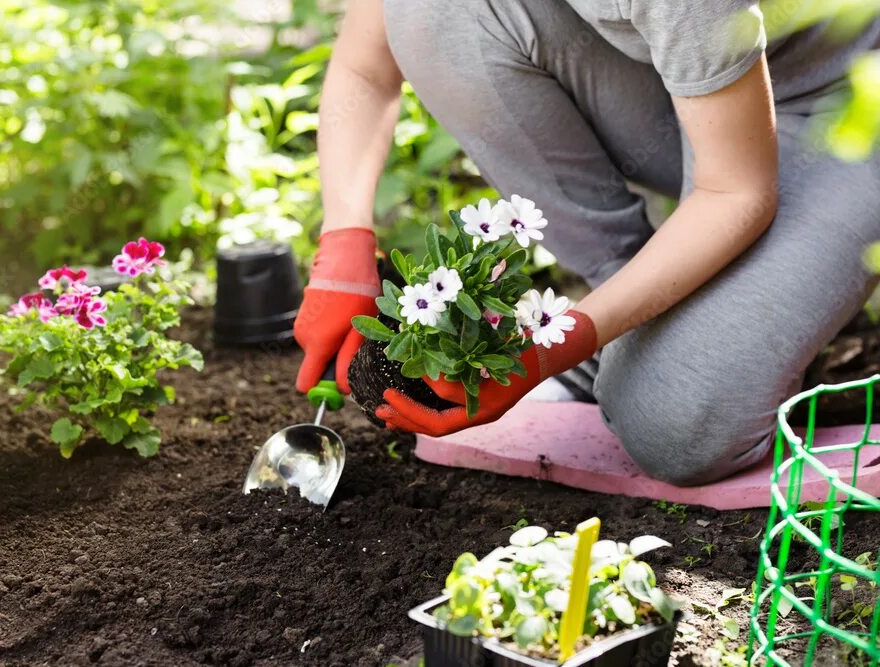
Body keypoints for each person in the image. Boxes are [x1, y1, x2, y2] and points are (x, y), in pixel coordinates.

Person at [293, 0, 880, 486]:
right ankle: (636, 318)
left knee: (672, 427)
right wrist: (342, 245)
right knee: (435, 11)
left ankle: (691, 341)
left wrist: (549, 350)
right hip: (698, 93)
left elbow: (735, 191)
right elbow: (367, 66)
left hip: (847, 104)